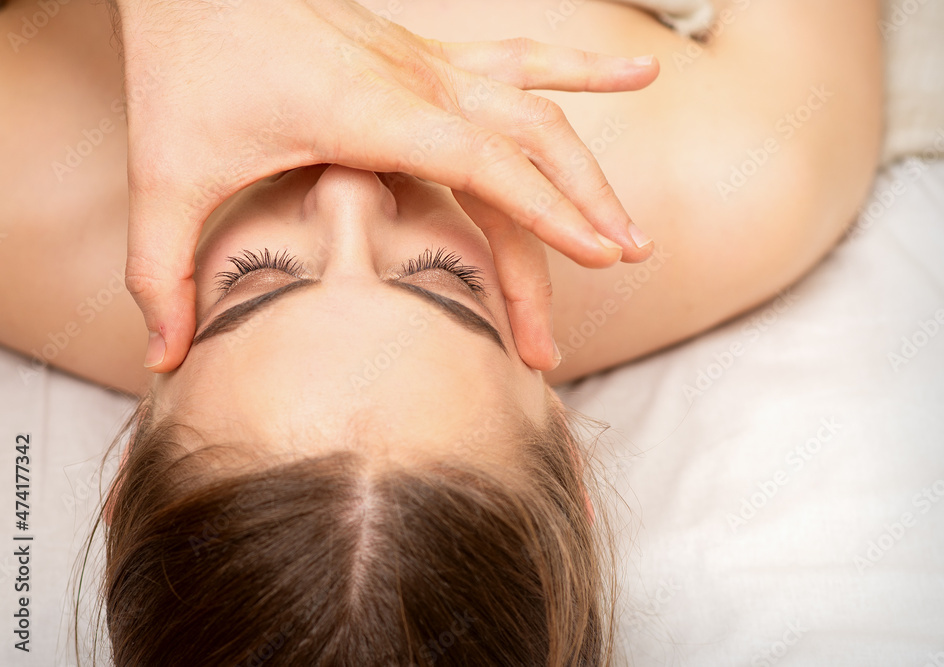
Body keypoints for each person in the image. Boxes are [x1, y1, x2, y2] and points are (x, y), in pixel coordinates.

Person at [0, 0, 882, 665]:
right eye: (446, 279)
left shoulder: (22, 185)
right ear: (570, 460)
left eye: (255, 276)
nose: (353, 192)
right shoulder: (743, 175)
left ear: (125, 458)